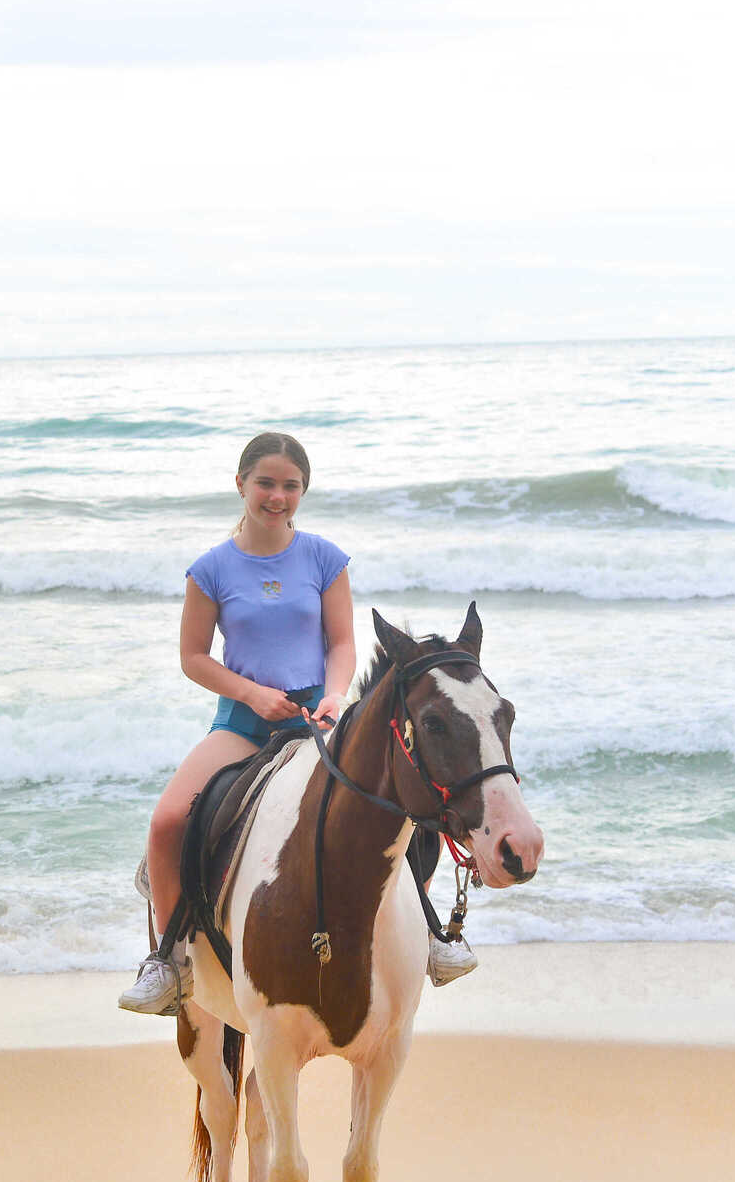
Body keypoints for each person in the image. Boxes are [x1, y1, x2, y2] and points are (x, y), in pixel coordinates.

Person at [118, 431, 478, 1016]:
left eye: (290, 486)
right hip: (241, 724)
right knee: (167, 823)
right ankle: (167, 959)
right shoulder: (210, 569)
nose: (277, 496)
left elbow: (342, 642)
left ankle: (431, 933)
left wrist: (336, 696)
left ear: (303, 491)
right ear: (241, 484)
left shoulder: (324, 559)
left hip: (319, 719)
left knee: (409, 805)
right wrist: (253, 695)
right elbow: (194, 658)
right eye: (265, 483)